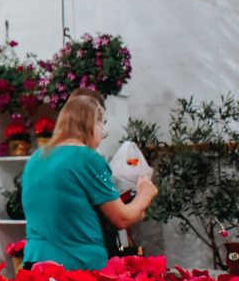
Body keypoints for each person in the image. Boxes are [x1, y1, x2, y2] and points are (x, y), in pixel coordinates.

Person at [21, 93, 157, 270]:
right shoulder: (87, 158)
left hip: (36, 264)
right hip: (77, 266)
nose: (102, 135)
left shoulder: (35, 159)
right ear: (93, 124)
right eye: (102, 126)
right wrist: (145, 194)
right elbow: (121, 218)